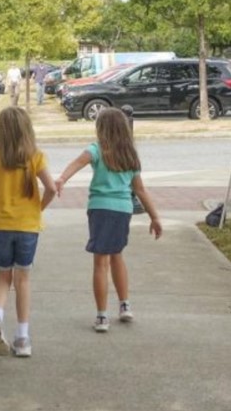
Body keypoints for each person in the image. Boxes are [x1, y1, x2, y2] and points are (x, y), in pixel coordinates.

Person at [54, 107, 162, 333]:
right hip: (123, 210)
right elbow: (140, 190)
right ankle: (125, 305)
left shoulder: (96, 149)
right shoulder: (130, 155)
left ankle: (102, 316)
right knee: (117, 256)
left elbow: (77, 163)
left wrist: (62, 178)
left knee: (100, 263)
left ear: (100, 129)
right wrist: (155, 217)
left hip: (100, 209)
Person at [0, 107, 56, 358]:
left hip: (0, 226)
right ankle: (23, 338)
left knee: (3, 277)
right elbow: (51, 188)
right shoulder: (35, 157)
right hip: (27, 226)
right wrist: (38, 208)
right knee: (23, 280)